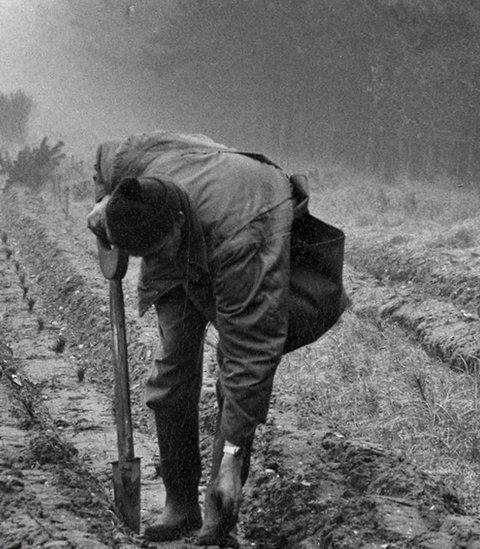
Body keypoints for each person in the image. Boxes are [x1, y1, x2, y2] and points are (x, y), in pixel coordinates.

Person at [86, 131, 345, 545]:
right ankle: (179, 504)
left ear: (177, 225)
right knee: (172, 365)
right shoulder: (132, 170)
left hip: (247, 213)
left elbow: (250, 356)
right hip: (187, 226)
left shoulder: (243, 239)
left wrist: (231, 457)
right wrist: (104, 214)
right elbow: (105, 162)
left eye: (162, 248)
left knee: (235, 368)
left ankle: (218, 512)